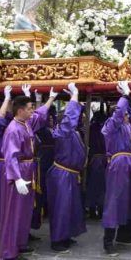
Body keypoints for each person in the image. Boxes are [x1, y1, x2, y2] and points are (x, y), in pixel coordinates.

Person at [0, 84, 53, 260]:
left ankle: (19, 244)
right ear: (20, 110)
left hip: (28, 170)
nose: (33, 111)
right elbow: (11, 156)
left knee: (23, 212)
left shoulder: (26, 123)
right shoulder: (13, 129)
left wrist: (49, 99)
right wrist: (16, 178)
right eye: (30, 108)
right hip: (19, 173)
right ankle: (8, 250)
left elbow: (40, 115)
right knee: (13, 212)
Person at [101, 81, 131, 256]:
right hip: (119, 165)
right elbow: (119, 112)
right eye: (125, 113)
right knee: (115, 199)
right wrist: (124, 95)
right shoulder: (111, 126)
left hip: (130, 165)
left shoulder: (126, 126)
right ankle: (108, 240)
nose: (127, 115)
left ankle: (126, 232)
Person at [46, 83, 87, 252]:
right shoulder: (63, 131)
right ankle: (57, 240)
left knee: (71, 207)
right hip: (62, 174)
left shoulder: (74, 132)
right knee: (61, 208)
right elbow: (70, 117)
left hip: (71, 174)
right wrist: (74, 95)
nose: (78, 118)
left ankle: (66, 235)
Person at [86, 107, 107, 220]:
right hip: (101, 160)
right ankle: (100, 208)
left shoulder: (91, 128)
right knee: (101, 187)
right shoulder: (103, 128)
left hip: (94, 160)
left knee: (93, 187)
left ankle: (94, 209)